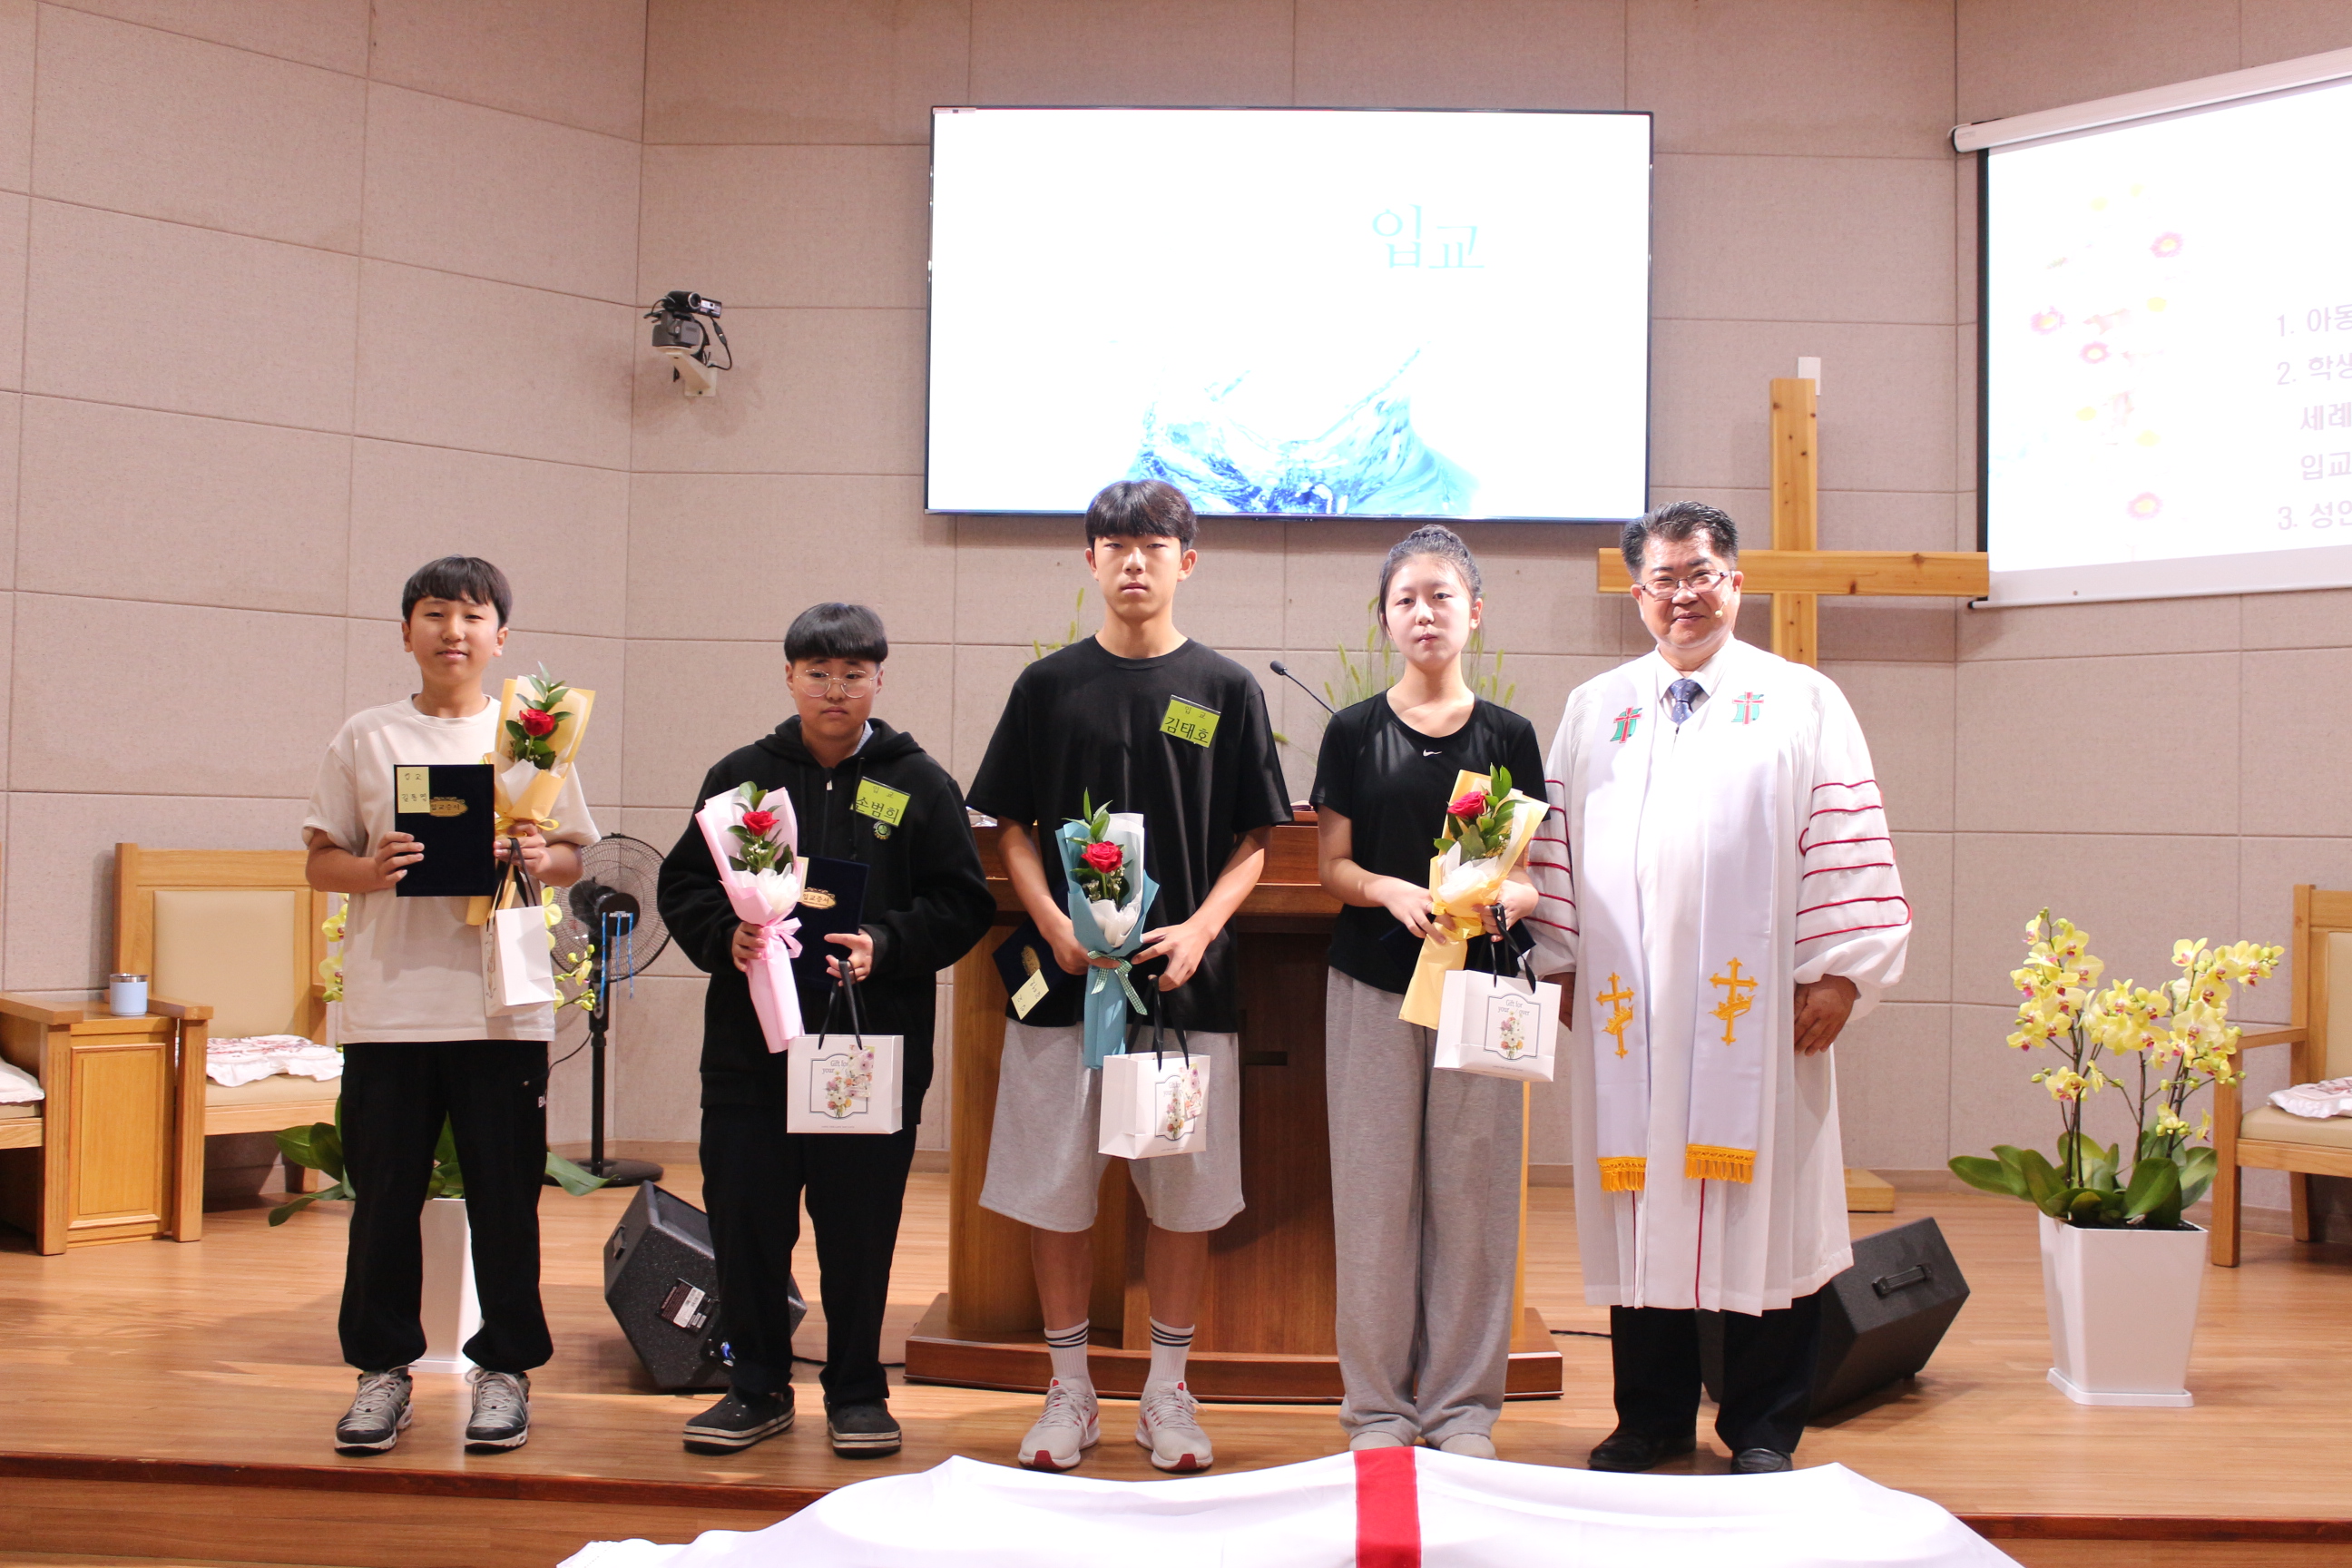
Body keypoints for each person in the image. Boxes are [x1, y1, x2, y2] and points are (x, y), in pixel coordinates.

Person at [1528, 501, 1910, 1475]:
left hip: (1757, 1007)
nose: (1683, 595)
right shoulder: (1596, 707)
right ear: (1638, 593)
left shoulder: (1801, 700)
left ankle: (1764, 1425)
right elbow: (1556, 844)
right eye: (1663, 579)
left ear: (1735, 582)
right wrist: (1558, 960)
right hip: (1632, 1013)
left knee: (1767, 1205)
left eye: (1700, 574)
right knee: (1640, 1197)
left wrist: (1840, 973)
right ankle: (1650, 1419)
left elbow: (1844, 837)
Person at [967, 478, 1291, 1475]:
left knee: (1183, 1194)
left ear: (1187, 562)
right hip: (1066, 986)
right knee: (1056, 1189)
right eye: (1116, 545)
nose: (1134, 561)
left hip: (1183, 992)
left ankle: (1167, 1393)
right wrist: (1052, 921)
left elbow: (1257, 840)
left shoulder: (1226, 689)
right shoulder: (1047, 687)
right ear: (1091, 561)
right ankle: (1069, 1391)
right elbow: (1009, 826)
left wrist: (1199, 929)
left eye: (1154, 545)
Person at [656, 603, 993, 1459]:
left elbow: (963, 902)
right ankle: (755, 1385)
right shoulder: (742, 780)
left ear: (880, 679)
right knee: (748, 1223)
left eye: (852, 674)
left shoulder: (918, 782)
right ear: (789, 678)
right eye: (817, 673)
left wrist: (887, 943)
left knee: (858, 1226)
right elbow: (684, 885)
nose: (834, 690)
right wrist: (724, 936)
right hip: (752, 1053)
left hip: (865, 1049)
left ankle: (856, 1391)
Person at [303, 555, 596, 1456]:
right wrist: (370, 868)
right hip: (391, 1007)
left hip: (502, 1006)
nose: (453, 632)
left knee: (507, 1200)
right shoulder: (366, 735)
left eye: (471, 617)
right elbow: (320, 861)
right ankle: (381, 1373)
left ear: (500, 638)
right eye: (434, 614)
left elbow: (574, 857)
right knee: (382, 1202)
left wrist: (539, 857)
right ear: (406, 632)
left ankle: (504, 1371)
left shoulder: (532, 738)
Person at [1309, 525, 1546, 1458]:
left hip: (1478, 992)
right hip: (1373, 985)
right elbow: (1332, 866)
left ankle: (1461, 1410)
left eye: (1442, 596)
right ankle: (1376, 1410)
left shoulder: (1508, 737)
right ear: (1385, 619)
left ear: (1474, 612)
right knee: (1374, 1198)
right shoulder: (1353, 731)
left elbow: (1530, 877)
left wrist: (1511, 900)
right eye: (1405, 598)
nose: (1424, 613)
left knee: (1474, 1202)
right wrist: (1387, 889)